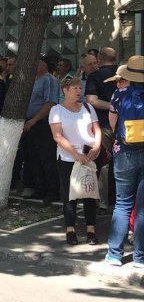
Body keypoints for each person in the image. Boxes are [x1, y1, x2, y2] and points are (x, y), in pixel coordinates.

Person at [49, 76, 102, 245]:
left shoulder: (87, 107)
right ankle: (70, 229)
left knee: (90, 193)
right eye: (75, 88)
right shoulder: (57, 110)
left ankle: (91, 230)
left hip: (89, 156)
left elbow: (97, 129)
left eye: (80, 88)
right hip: (67, 157)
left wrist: (96, 147)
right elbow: (57, 136)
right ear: (65, 90)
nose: (79, 91)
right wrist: (75, 154)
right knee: (69, 195)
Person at [105, 56, 144, 267]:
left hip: (124, 152)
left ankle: (114, 255)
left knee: (122, 203)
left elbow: (113, 125)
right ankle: (140, 258)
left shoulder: (119, 95)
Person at [22, 59, 60, 202]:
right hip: (30, 124)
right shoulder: (32, 80)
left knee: (47, 157)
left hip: (43, 123)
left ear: (43, 65)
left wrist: (35, 119)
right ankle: (40, 188)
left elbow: (50, 103)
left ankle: (52, 190)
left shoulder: (49, 80)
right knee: (33, 157)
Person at [85, 47, 118, 210]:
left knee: (104, 163)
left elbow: (92, 100)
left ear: (99, 59)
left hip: (103, 125)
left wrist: (112, 106)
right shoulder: (123, 75)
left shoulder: (95, 76)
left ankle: (103, 202)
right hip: (124, 125)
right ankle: (123, 199)